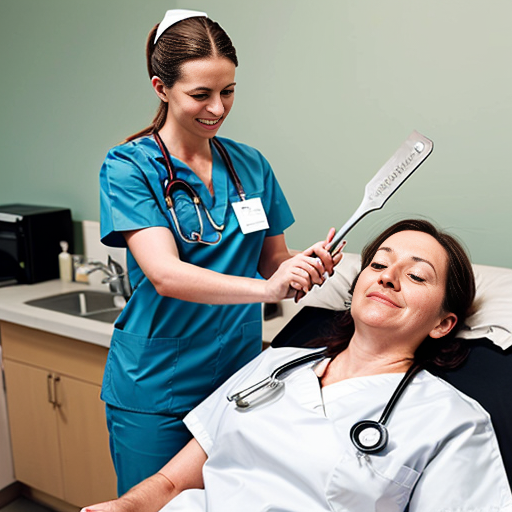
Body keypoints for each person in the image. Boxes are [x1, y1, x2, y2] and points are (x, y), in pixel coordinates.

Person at [82, 219, 512, 511]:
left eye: (416, 276)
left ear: (443, 323)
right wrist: (124, 506)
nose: (386, 276)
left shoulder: (453, 421)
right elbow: (172, 483)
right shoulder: (275, 365)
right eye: (378, 264)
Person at [99, 9, 341, 495]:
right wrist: (268, 287)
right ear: (160, 87)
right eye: (200, 94)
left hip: (238, 379)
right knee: (154, 503)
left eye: (228, 91)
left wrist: (301, 264)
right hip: (156, 384)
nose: (218, 107)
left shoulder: (251, 164)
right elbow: (165, 273)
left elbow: (272, 260)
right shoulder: (129, 166)